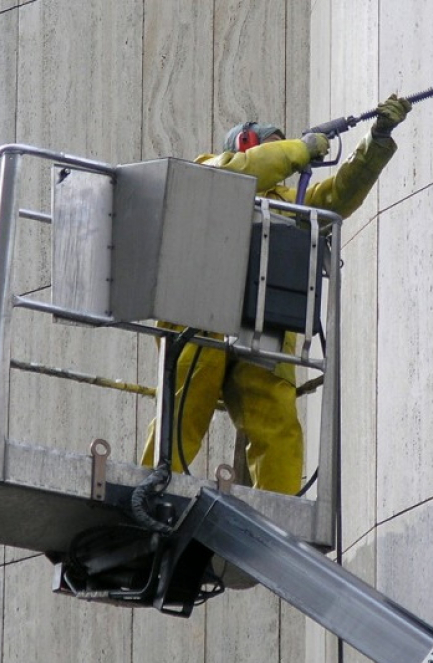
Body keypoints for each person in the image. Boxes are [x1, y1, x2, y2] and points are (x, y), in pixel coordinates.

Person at [141, 94, 411, 495]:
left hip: (263, 328)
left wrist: (377, 138)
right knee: (183, 409)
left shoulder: (290, 204)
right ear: (246, 145)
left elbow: (339, 195)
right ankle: (150, 485)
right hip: (200, 318)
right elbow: (240, 173)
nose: (288, 162)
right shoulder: (209, 171)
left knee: (278, 425)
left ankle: (279, 508)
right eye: (277, 148)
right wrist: (300, 148)